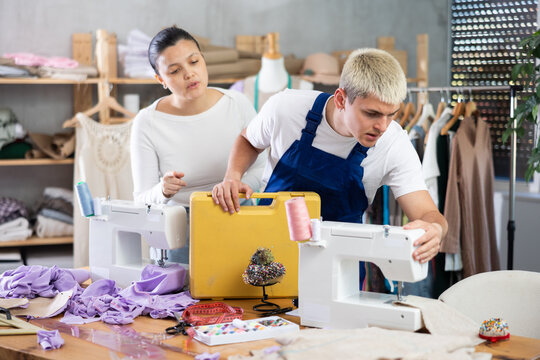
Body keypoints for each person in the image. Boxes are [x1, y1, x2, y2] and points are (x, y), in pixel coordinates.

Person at [212, 48, 447, 266]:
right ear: (341, 99)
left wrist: (435, 229)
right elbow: (248, 140)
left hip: (341, 263)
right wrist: (233, 175)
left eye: (391, 114)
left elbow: (427, 213)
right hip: (268, 252)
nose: (382, 126)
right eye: (371, 113)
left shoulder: (394, 144)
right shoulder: (285, 108)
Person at [130, 26, 265, 263]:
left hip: (239, 215)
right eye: (175, 70)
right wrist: (162, 190)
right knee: (182, 298)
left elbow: (263, 168)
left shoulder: (237, 103)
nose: (190, 74)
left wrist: (237, 185)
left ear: (203, 59)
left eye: (194, 61)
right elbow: (141, 198)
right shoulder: (147, 122)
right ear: (160, 79)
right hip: (179, 230)